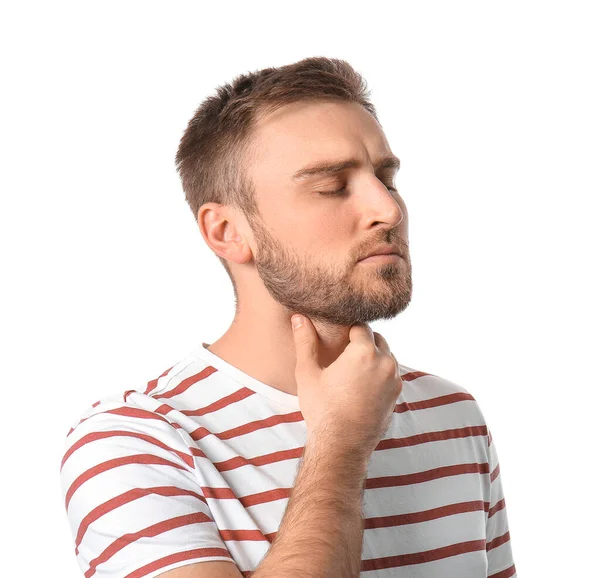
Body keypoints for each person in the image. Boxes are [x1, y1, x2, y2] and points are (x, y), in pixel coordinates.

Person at [60, 57, 517, 578]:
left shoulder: (452, 414)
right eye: (332, 186)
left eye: (386, 178)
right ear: (228, 232)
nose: (388, 210)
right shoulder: (138, 443)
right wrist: (340, 444)